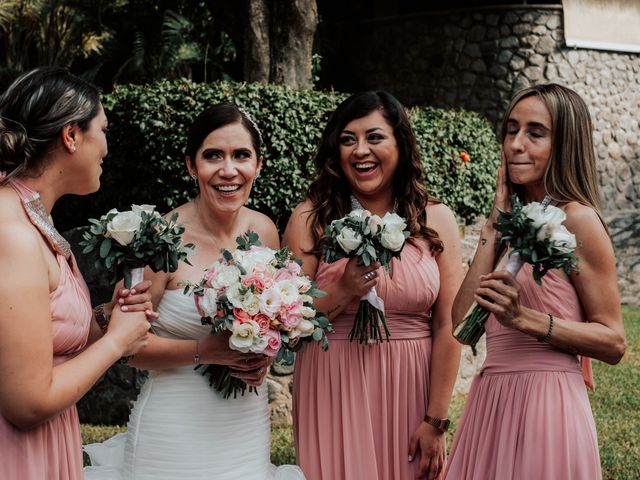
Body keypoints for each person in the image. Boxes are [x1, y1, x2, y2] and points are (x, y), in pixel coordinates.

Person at [84, 103, 305, 480]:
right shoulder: (160, 239)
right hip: (174, 431)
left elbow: (269, 322)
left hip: (244, 424)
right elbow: (126, 348)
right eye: (213, 156)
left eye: (241, 156)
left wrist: (260, 356)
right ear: (191, 165)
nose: (228, 169)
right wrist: (208, 351)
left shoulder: (266, 230)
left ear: (259, 164)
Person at [445, 83, 627, 479]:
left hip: (548, 403)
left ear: (564, 144)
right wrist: (494, 222)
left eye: (535, 133)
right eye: (511, 130)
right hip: (491, 399)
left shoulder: (578, 220)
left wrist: (523, 319)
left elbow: (614, 342)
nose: (516, 144)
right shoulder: (509, 222)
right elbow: (461, 326)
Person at [284, 90, 463, 480]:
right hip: (331, 384)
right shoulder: (310, 217)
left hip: (410, 386)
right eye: (348, 140)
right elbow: (290, 323)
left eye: (375, 137)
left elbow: (448, 325)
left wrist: (436, 419)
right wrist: (344, 288)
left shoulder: (435, 219)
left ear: (400, 143)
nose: (360, 151)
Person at [0, 67, 154, 480]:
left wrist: (107, 317)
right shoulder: (12, 233)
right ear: (71, 135)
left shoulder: (32, 217)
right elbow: (28, 402)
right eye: (103, 129)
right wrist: (118, 342)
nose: (107, 146)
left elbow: (43, 339)